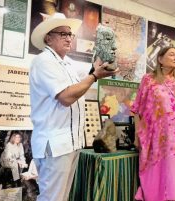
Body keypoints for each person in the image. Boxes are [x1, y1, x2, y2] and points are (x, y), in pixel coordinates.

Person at [29, 12, 117, 201]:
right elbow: (66, 97)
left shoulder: (67, 63)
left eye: (70, 34)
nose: (69, 38)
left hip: (69, 144)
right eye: (63, 34)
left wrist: (98, 67)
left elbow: (83, 82)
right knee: (52, 198)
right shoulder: (44, 60)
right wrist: (94, 76)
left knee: (61, 197)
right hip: (55, 144)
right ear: (48, 38)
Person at [131, 46, 175, 201]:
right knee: (161, 174)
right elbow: (138, 108)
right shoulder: (149, 79)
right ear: (160, 59)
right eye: (171, 54)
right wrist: (137, 134)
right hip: (158, 138)